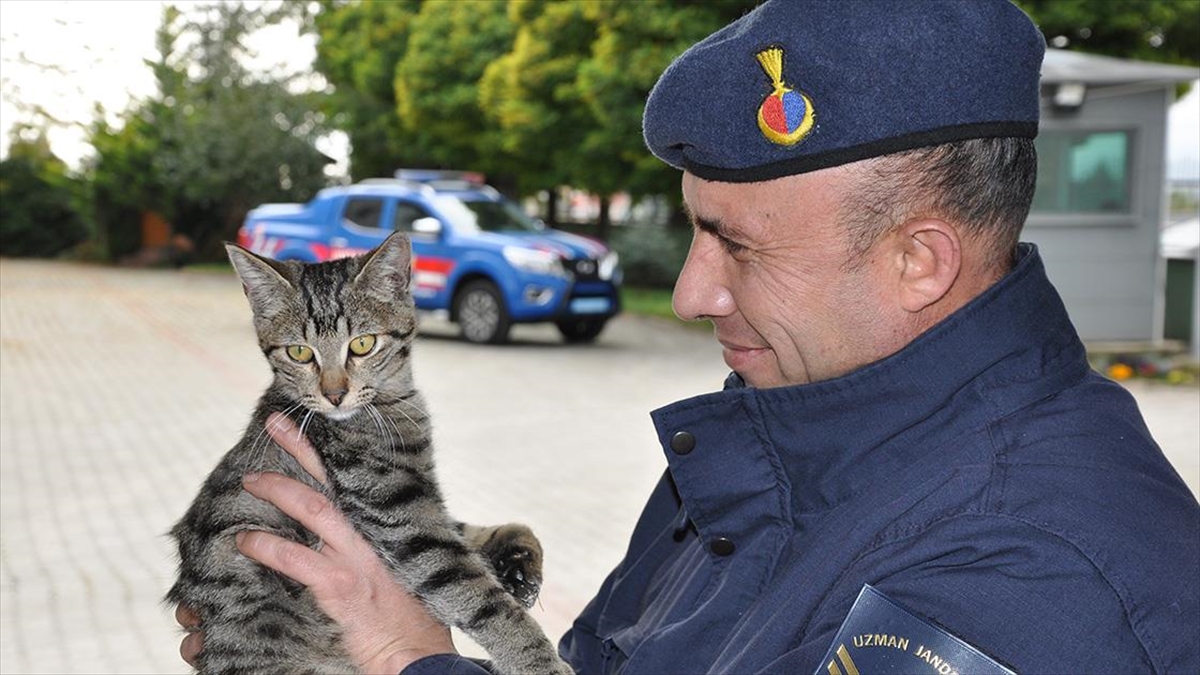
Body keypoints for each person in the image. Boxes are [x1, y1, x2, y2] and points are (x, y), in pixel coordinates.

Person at [178, 0, 1200, 672]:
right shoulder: (786, 424)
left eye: (737, 246)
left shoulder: (1033, 571)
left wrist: (414, 661)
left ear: (918, 261)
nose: (694, 293)